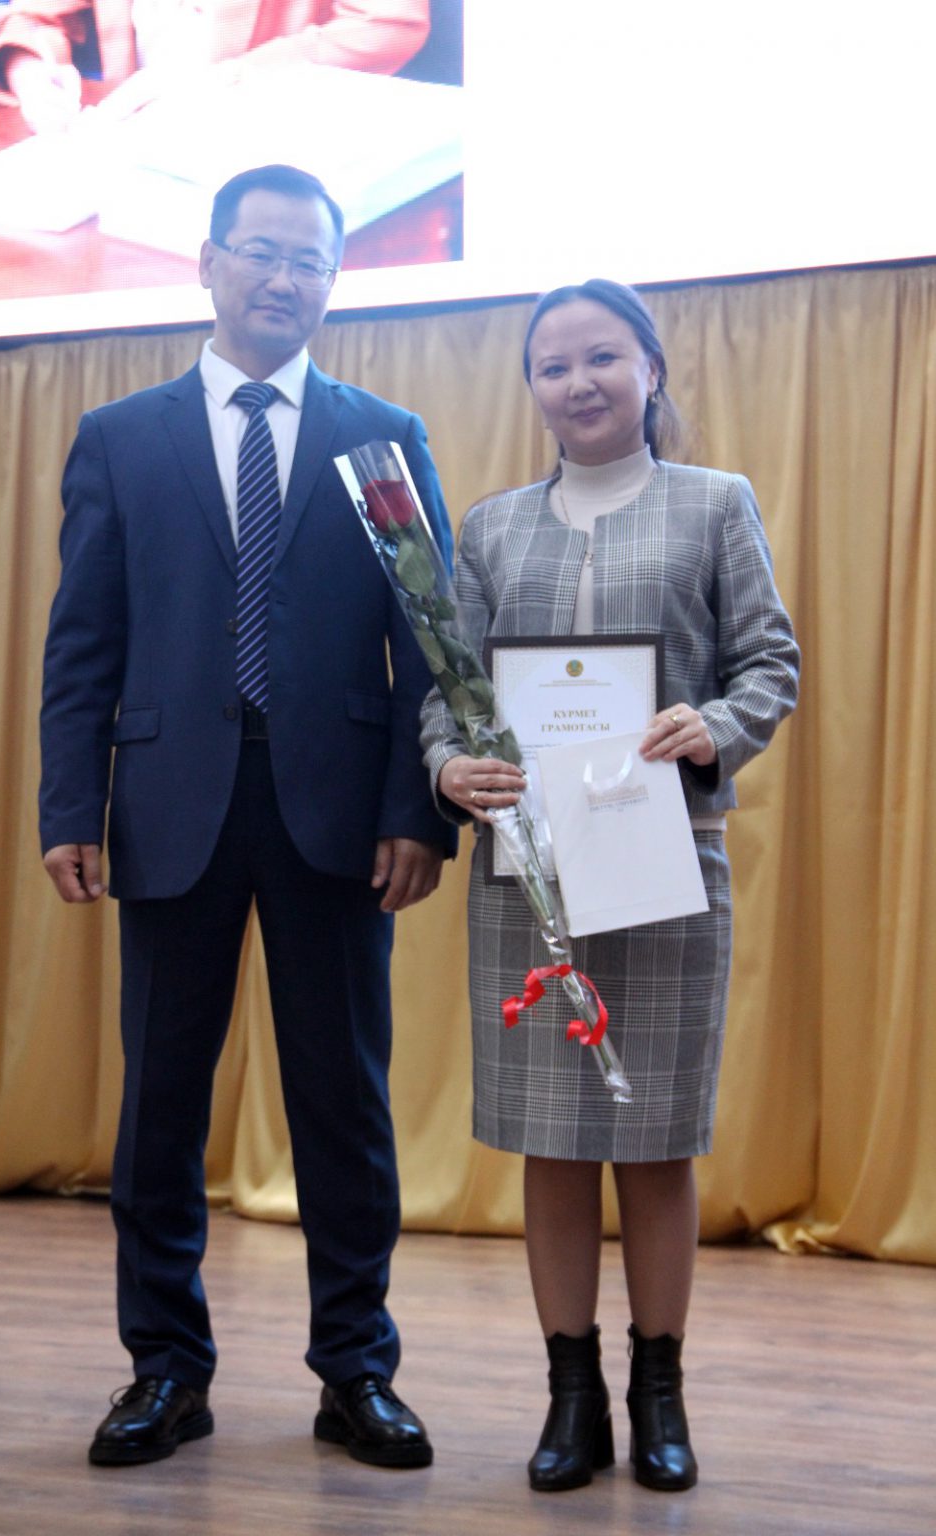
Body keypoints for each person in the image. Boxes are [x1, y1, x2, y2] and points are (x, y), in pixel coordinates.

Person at [39, 161, 455, 1470]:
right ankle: (165, 1369)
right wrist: (71, 803)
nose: (285, 278)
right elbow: (83, 642)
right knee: (159, 1106)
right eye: (262, 252)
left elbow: (429, 640)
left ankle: (357, 1371)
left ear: (334, 279)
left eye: (310, 260)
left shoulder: (382, 435)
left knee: (346, 1104)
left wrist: (418, 810)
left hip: (341, 815)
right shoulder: (122, 436)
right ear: (209, 262)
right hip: (171, 810)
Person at [420, 280, 799, 1495]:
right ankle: (571, 1397)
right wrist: (447, 764)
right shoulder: (488, 529)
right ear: (531, 386)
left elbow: (770, 664)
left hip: (665, 865)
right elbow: (448, 692)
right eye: (553, 364)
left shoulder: (715, 504)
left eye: (601, 357)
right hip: (528, 871)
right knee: (552, 1138)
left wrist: (714, 724)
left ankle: (659, 1393)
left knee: (657, 1141)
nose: (577, 382)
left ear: (650, 368)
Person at [0, 0, 431, 133]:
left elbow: (388, 23)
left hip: (275, 147)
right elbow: (34, 16)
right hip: (131, 151)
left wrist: (234, 78)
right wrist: (29, 72)